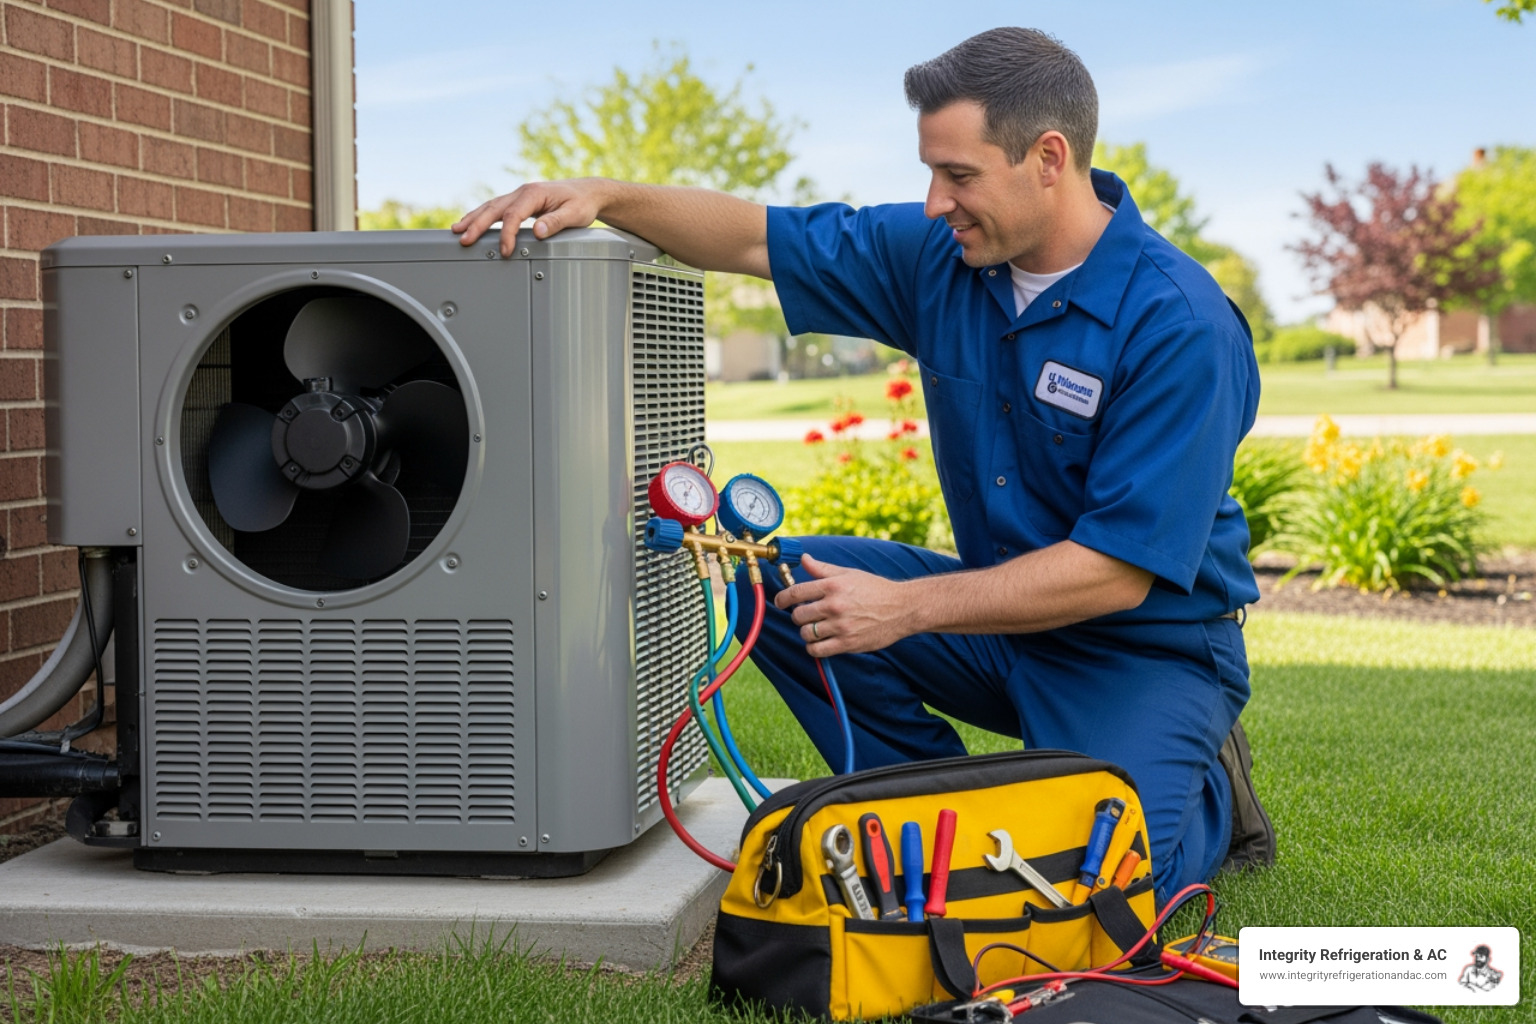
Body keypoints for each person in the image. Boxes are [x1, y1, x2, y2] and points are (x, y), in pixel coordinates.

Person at [455, 26, 1272, 901]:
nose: (935, 202)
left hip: (1142, 649)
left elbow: (1114, 571)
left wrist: (905, 607)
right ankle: (925, 812)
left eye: (959, 175)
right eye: (930, 172)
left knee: (1102, 888)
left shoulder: (1179, 324)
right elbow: (753, 240)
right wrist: (604, 195)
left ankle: (1209, 791)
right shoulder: (943, 257)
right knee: (775, 581)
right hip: (1000, 628)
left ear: (1048, 158)